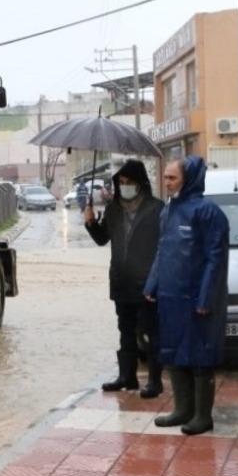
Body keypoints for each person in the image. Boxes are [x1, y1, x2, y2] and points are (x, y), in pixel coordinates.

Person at [143, 156, 229, 435]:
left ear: (188, 178)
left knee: (200, 357)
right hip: (170, 298)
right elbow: (161, 250)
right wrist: (152, 284)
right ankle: (182, 409)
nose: (166, 183)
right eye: (165, 178)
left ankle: (203, 416)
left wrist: (206, 298)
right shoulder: (168, 211)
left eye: (172, 178)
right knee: (173, 352)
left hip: (196, 301)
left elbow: (215, 260)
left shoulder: (208, 213)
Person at [84, 160, 165, 397]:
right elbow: (102, 239)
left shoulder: (156, 209)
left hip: (147, 282)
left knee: (149, 332)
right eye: (121, 182)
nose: (125, 186)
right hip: (121, 281)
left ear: (140, 183)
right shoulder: (113, 209)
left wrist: (157, 279)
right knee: (125, 331)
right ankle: (126, 377)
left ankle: (154, 381)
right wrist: (90, 222)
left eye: (129, 182)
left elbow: (163, 247)